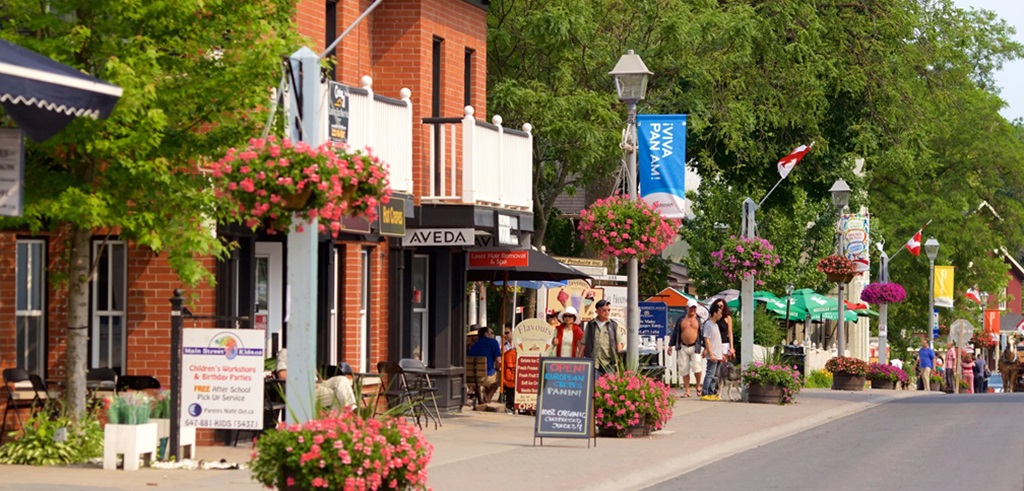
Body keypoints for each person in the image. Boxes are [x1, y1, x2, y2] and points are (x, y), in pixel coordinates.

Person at [275, 348, 356, 410]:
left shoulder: (306, 354)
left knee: (341, 380)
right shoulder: (285, 352)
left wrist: (320, 380)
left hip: (317, 385)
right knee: (338, 395)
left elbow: (316, 375)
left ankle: (353, 409)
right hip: (302, 391)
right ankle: (344, 421)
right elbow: (282, 375)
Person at [667, 304, 704, 398]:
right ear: (687, 308)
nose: (692, 309)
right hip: (683, 346)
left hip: (695, 346)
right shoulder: (681, 320)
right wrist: (670, 345)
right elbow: (675, 332)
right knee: (684, 369)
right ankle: (687, 390)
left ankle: (698, 385)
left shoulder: (700, 320)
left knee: (697, 367)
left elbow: (704, 334)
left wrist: (706, 348)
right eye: (691, 307)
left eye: (694, 308)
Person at [581, 299, 623, 375]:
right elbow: (583, 342)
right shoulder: (591, 324)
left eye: (608, 310)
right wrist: (579, 359)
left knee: (610, 384)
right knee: (593, 384)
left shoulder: (613, 325)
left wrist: (619, 359)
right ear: (597, 311)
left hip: (609, 361)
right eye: (604, 310)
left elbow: (618, 342)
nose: (607, 312)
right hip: (593, 361)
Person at [467, 326, 502, 403]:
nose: (494, 335)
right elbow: (499, 361)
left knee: (485, 372)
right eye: (492, 333)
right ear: (486, 334)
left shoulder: (474, 344)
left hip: (471, 377)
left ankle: (481, 398)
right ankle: (487, 398)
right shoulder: (493, 342)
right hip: (485, 377)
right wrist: (498, 368)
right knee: (500, 376)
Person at [700, 302, 725, 401]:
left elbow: (717, 341)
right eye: (719, 313)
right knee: (710, 373)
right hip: (713, 354)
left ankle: (711, 392)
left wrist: (721, 354)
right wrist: (710, 353)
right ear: (714, 313)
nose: (721, 315)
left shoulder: (715, 325)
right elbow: (707, 339)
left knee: (715, 375)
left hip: (717, 354)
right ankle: (705, 392)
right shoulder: (708, 324)